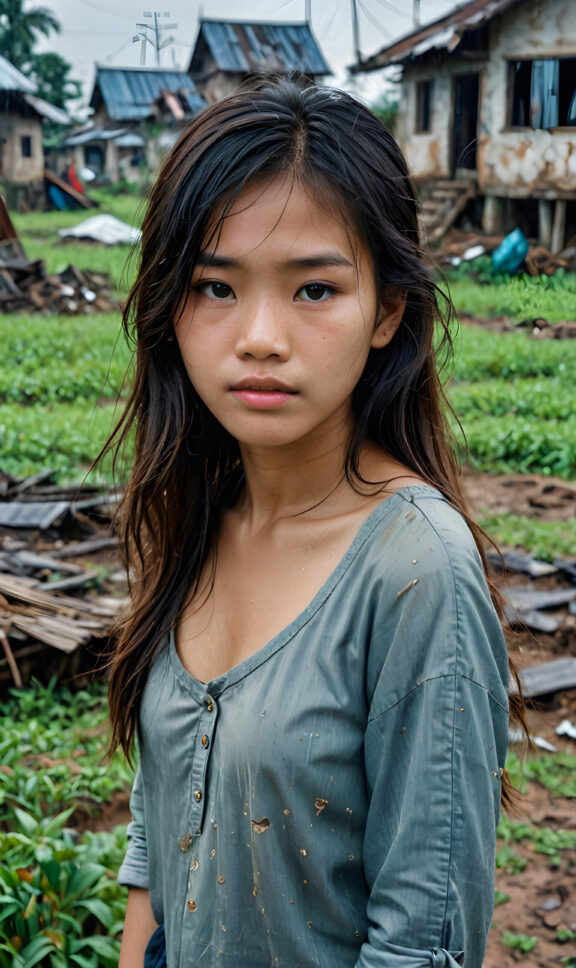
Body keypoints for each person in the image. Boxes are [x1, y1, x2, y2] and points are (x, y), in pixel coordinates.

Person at [106, 75, 522, 968]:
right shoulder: (200, 512)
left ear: (389, 310)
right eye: (216, 286)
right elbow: (158, 833)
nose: (259, 335)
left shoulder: (415, 569)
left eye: (314, 291)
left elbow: (423, 939)